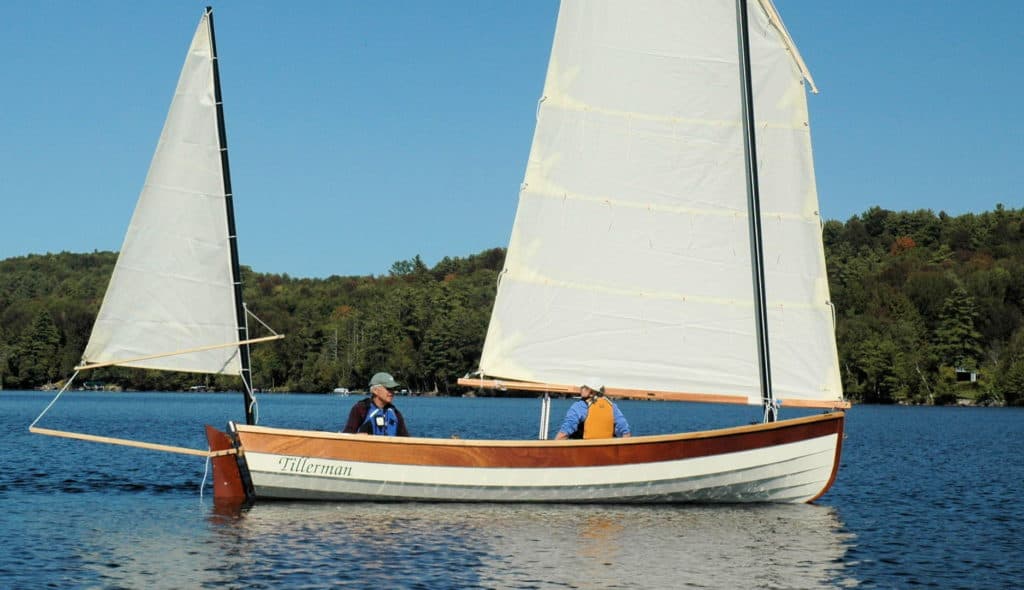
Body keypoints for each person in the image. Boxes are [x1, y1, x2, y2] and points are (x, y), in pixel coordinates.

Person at [555, 378, 631, 439]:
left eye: (584, 387)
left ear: (591, 391)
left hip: (584, 449)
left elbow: (565, 431)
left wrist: (554, 445)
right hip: (606, 450)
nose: (581, 389)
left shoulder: (579, 406)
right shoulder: (612, 406)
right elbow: (625, 431)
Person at [342, 372, 410, 436]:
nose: (392, 392)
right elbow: (347, 434)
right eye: (388, 388)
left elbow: (406, 439)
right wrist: (357, 436)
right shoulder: (361, 409)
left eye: (393, 389)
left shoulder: (396, 413)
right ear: (375, 390)